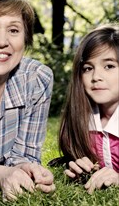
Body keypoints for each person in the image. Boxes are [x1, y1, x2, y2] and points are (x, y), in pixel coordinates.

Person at [0, 0, 55, 201]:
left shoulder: (37, 79)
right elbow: (2, 172)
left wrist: (28, 169)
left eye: (14, 30)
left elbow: (24, 155)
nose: (2, 41)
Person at [49, 23, 119, 194]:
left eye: (109, 66)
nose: (96, 77)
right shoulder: (78, 120)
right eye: (88, 68)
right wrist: (79, 168)